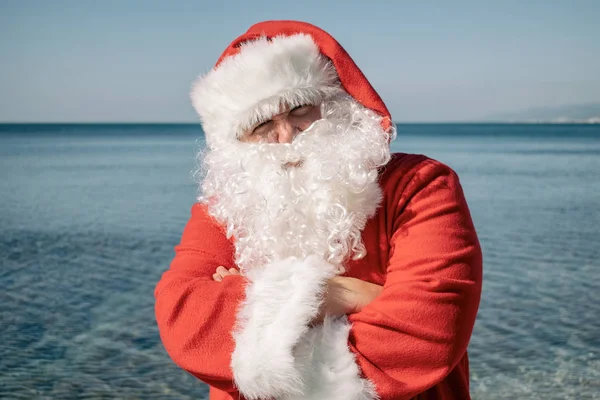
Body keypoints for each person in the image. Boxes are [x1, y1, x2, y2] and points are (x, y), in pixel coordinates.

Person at [155, 20, 482, 400]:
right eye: (262, 124)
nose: (287, 136)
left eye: (299, 109)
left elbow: (430, 331)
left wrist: (258, 301)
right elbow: (184, 325)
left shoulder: (421, 185)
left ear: (336, 106)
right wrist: (347, 295)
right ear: (235, 143)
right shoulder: (222, 209)